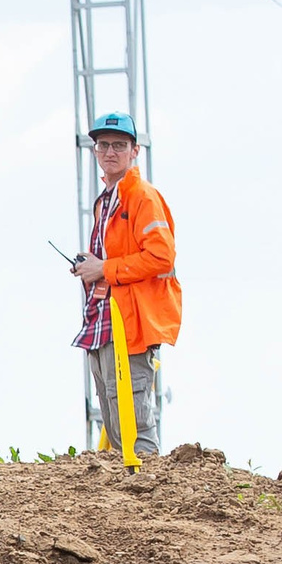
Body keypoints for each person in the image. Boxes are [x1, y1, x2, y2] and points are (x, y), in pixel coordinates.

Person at [69, 110, 181, 468]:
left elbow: (161, 256)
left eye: (119, 145)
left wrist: (104, 268)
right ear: (95, 151)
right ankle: (129, 499)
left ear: (135, 151)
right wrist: (92, 265)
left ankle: (148, 491)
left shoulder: (142, 197)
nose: (110, 152)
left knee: (134, 420)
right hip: (106, 316)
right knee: (113, 413)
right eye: (103, 145)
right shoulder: (108, 200)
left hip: (132, 321)